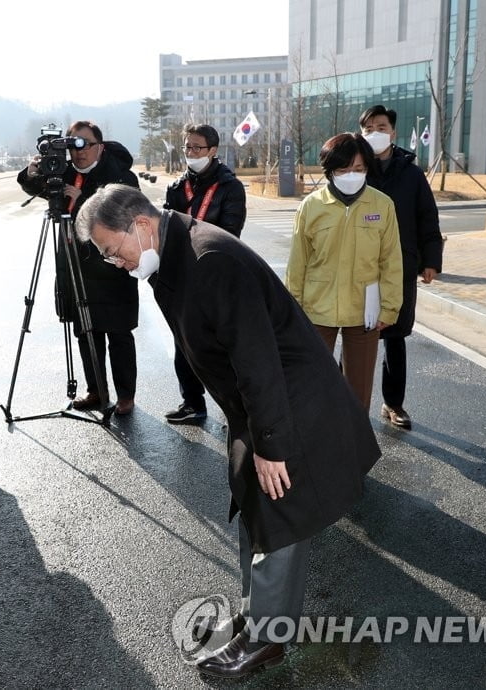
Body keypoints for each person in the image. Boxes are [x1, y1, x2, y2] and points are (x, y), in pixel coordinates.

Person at [75, 184, 381, 679]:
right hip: (256, 402)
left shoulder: (209, 259)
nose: (116, 263)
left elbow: (257, 360)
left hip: (287, 402)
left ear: (142, 225)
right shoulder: (169, 252)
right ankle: (256, 611)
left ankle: (268, 638)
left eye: (114, 251)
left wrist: (272, 445)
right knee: (252, 502)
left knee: (279, 511)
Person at [16, 120, 140, 415]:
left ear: (100, 146)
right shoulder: (65, 171)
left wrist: (81, 199)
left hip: (112, 268)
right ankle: (96, 391)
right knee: (86, 332)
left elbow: (126, 215)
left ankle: (126, 396)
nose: (78, 152)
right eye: (72, 145)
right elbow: (31, 185)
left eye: (85, 144)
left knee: (118, 334)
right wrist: (34, 169)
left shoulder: (120, 174)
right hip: (75, 267)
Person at [285, 132, 404, 412]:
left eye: (359, 169)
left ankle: (354, 447)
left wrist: (389, 308)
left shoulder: (382, 205)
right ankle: (314, 443)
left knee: (358, 390)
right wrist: (293, 308)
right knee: (313, 383)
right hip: (316, 310)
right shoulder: (311, 206)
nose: (352, 175)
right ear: (330, 171)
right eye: (344, 169)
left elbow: (391, 261)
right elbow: (297, 262)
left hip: (365, 312)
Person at [360, 105, 444, 429]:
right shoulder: (355, 169)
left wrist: (431, 261)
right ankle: (346, 400)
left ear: (393, 132)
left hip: (401, 267)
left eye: (381, 127)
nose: (375, 133)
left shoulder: (411, 172)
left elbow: (427, 217)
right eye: (368, 128)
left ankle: (393, 403)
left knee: (395, 338)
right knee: (358, 335)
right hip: (361, 270)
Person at [162, 123, 247, 424]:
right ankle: (192, 403)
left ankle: (236, 410)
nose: (190, 153)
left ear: (213, 150)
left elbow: (230, 234)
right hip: (181, 278)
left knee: (223, 347)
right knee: (184, 344)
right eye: (187, 147)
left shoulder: (230, 187)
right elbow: (164, 230)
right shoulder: (175, 188)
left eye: (197, 147)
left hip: (217, 277)